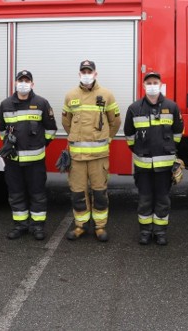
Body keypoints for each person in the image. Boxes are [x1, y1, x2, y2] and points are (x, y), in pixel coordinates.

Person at [62, 60, 121, 242]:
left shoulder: (106, 95)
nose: (86, 74)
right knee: (78, 193)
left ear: (95, 74)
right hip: (77, 157)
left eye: (89, 71)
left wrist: (107, 138)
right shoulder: (70, 95)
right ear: (79, 74)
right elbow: (66, 122)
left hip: (99, 157)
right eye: (83, 71)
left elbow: (115, 122)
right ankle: (80, 226)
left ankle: (100, 227)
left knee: (99, 193)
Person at [124, 71, 184, 246]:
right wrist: (138, 150)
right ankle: (144, 231)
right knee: (145, 199)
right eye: (148, 82)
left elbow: (178, 132)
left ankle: (160, 232)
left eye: (154, 82)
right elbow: (129, 135)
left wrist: (170, 150)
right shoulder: (134, 108)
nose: (151, 85)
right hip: (143, 166)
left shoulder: (172, 107)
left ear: (161, 84)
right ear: (143, 86)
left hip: (165, 166)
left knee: (162, 199)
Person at [0, 70, 57, 241]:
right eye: (20, 80)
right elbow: (2, 130)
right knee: (16, 193)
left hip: (35, 161)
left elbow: (51, 128)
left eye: (26, 81)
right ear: (15, 83)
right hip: (13, 161)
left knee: (37, 194)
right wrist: (9, 145)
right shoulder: (6, 104)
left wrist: (40, 144)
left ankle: (37, 226)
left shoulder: (41, 103)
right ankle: (20, 225)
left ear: (32, 84)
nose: (23, 83)